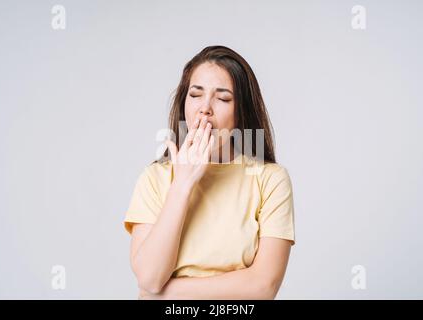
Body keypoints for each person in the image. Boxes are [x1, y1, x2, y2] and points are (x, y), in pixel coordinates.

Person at [124, 45, 296, 299]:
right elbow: (150, 277)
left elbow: (262, 287)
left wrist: (163, 294)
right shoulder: (155, 178)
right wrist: (182, 185)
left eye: (223, 98)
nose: (205, 108)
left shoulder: (270, 179)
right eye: (195, 95)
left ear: (241, 111)